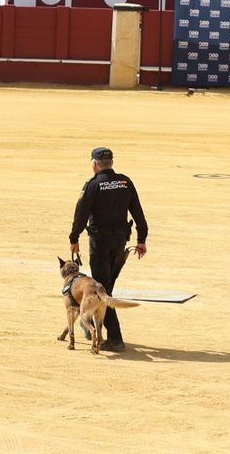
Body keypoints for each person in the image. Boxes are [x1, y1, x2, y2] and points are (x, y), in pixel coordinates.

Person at [69, 146, 148, 353]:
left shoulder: (93, 185)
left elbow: (81, 213)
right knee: (105, 287)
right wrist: (142, 239)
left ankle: (115, 338)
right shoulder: (125, 182)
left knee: (103, 290)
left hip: (100, 242)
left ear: (95, 164)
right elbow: (138, 211)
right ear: (110, 163)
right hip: (120, 241)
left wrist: (74, 238)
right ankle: (94, 326)